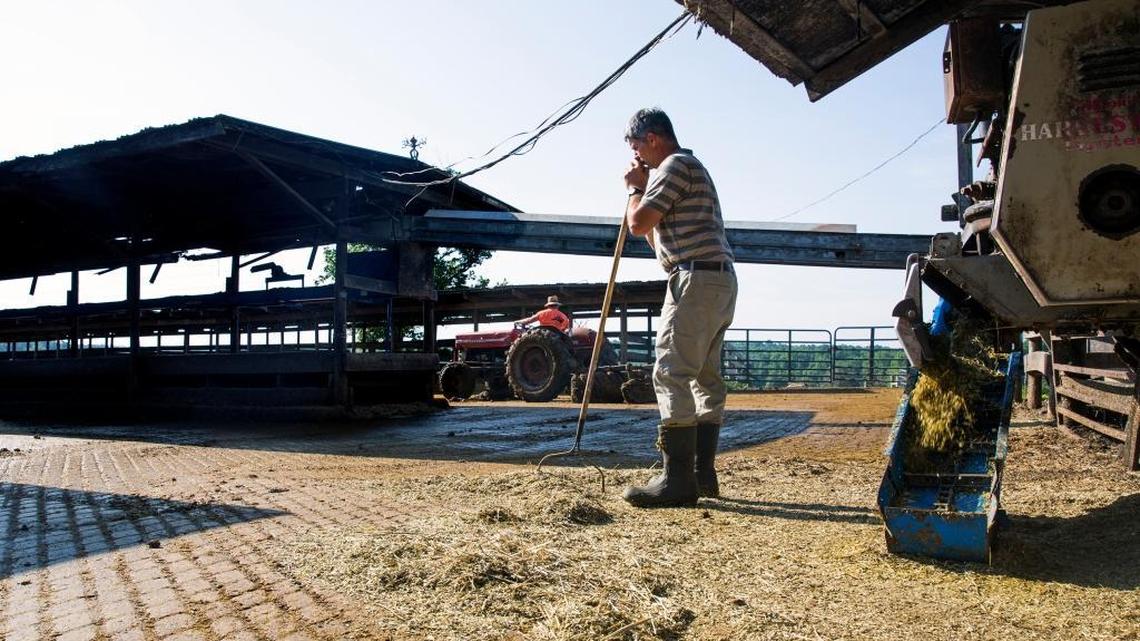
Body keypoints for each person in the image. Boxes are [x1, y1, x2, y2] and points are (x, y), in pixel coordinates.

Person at [621, 107, 738, 508]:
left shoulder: (673, 165)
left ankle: (677, 480)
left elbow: (636, 224)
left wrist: (634, 188)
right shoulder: (688, 167)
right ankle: (702, 473)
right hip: (715, 277)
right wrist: (641, 192)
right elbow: (656, 241)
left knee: (670, 371)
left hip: (695, 279)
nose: (636, 155)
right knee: (705, 375)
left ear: (652, 138)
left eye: (635, 144)